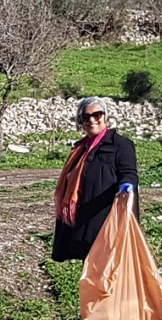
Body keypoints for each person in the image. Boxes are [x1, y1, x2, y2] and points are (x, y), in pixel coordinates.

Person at [52, 97, 139, 262]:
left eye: (97, 115)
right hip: (84, 217)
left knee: (107, 265)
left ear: (106, 117)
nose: (91, 120)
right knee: (89, 264)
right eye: (86, 117)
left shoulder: (120, 145)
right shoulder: (80, 148)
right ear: (80, 121)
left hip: (106, 216)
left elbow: (129, 173)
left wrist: (126, 185)